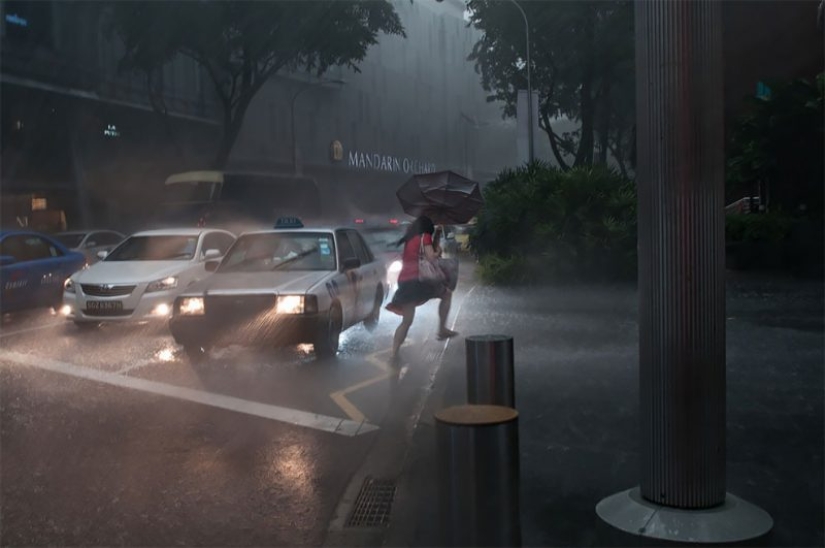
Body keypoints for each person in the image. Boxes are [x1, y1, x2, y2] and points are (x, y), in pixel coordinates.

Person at [386, 215, 458, 362]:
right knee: (447, 295)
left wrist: (436, 237)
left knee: (407, 321)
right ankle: (442, 329)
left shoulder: (410, 238)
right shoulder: (424, 236)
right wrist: (437, 252)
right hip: (419, 280)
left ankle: (394, 354)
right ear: (427, 228)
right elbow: (431, 257)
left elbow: (420, 254)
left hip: (405, 281)